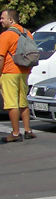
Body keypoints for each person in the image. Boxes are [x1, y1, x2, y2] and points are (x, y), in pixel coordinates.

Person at [0, 8, 35, 142]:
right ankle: (28, 130)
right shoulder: (27, 33)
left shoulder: (6, 35)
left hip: (9, 72)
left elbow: (1, 57)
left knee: (11, 103)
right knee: (22, 102)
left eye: (3, 18)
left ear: (11, 20)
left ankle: (15, 133)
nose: (1, 20)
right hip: (24, 71)